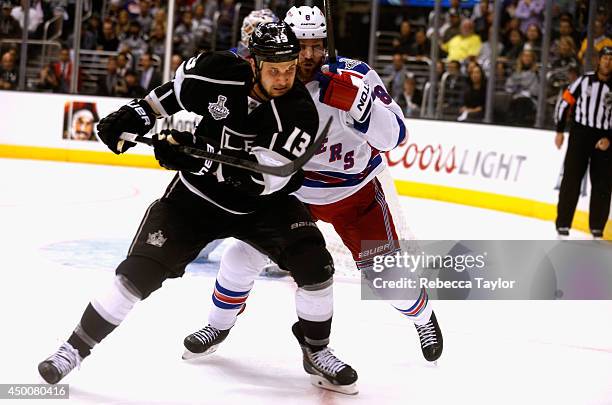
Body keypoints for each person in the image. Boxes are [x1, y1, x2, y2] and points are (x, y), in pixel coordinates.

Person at [37, 21, 358, 394]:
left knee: (314, 262)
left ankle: (316, 350)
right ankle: (73, 350)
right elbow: (170, 96)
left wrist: (195, 158)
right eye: (274, 70)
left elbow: (261, 178)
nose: (284, 78)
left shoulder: (300, 112)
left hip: (261, 206)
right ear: (253, 62)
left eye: (289, 69)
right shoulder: (216, 71)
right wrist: (134, 116)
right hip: (195, 200)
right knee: (136, 274)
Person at [183, 6, 443, 375]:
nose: (308, 56)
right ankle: (218, 324)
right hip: (291, 194)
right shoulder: (270, 77)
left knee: (388, 280)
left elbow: (395, 136)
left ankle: (424, 317)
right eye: (301, 45)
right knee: (240, 255)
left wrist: (360, 104)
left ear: (327, 44)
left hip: (354, 194)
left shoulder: (356, 76)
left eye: (316, 46)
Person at [554, 46, 612, 239]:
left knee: (603, 184)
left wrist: (610, 139)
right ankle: (563, 224)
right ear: (599, 60)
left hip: (604, 138)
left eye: (611, 59)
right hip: (580, 134)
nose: (608, 62)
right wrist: (560, 130)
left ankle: (597, 228)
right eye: (605, 58)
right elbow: (565, 102)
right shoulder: (584, 80)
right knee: (571, 179)